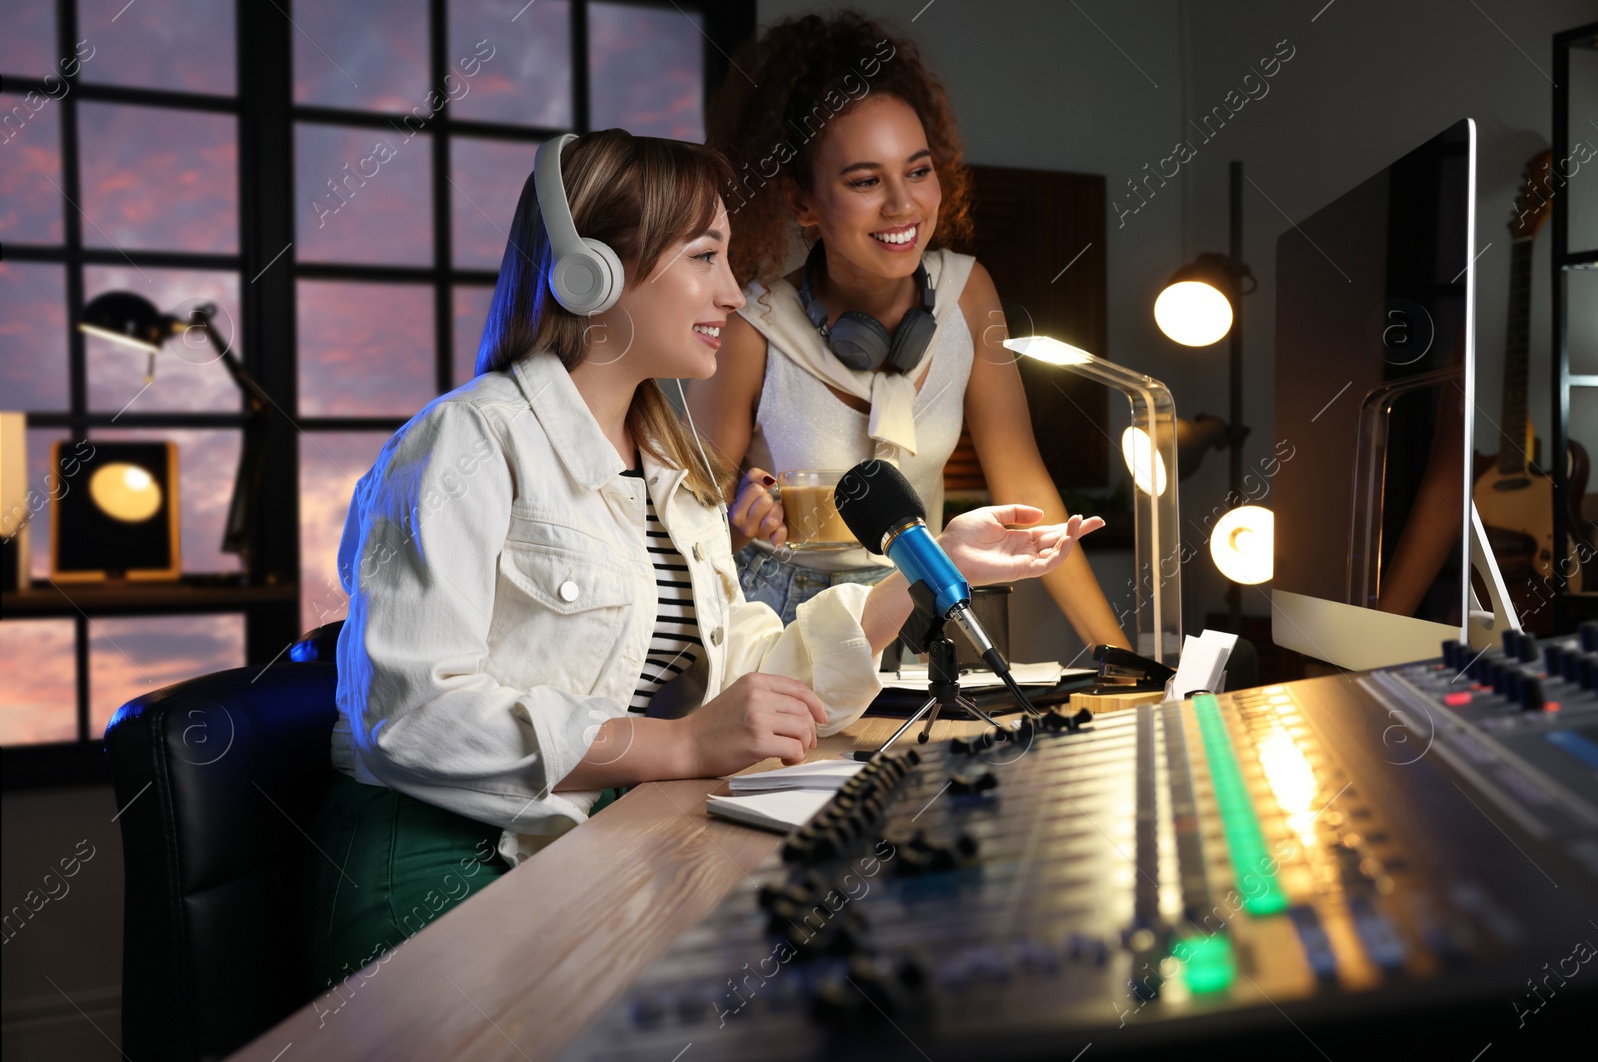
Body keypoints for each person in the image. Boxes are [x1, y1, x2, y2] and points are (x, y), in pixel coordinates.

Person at [299, 128, 1103, 992]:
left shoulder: (667, 462)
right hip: (442, 868)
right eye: (704, 257)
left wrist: (930, 567)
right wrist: (678, 746)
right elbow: (410, 715)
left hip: (591, 842)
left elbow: (740, 678)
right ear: (592, 274)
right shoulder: (466, 441)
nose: (731, 290)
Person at [688, 11, 1130, 651]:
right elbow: (694, 532)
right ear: (801, 203)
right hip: (785, 625)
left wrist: (1119, 656)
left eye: (917, 171)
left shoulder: (968, 293)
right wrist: (738, 520)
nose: (903, 205)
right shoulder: (753, 326)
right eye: (866, 180)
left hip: (923, 604)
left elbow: (1023, 478)